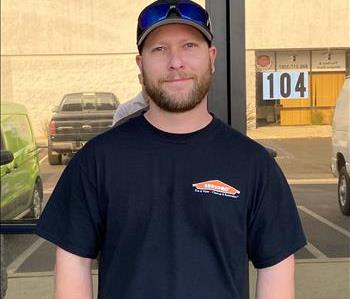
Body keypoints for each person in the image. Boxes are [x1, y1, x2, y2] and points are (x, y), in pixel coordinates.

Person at [36, 1, 307, 298]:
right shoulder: (97, 161)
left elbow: (276, 271)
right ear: (140, 65)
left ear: (212, 58)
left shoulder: (254, 165)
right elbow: (72, 264)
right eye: (159, 49)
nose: (176, 62)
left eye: (189, 45)